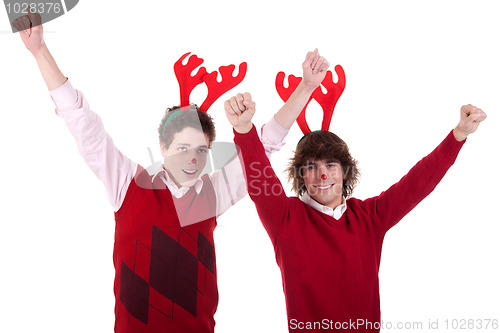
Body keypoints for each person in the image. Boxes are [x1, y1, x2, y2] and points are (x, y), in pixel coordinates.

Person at [13, 12, 330, 332]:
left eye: (201, 150)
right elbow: (83, 124)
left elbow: (264, 145)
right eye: (182, 148)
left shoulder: (212, 194)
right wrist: (40, 51)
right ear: (162, 148)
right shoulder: (128, 184)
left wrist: (305, 87)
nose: (192, 159)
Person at [225, 55, 487, 332]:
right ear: (300, 175)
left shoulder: (370, 218)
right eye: (311, 166)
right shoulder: (286, 218)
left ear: (345, 171)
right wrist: (243, 129)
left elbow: (418, 183)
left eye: (331, 165)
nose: (323, 175)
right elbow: (259, 177)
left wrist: (458, 135)